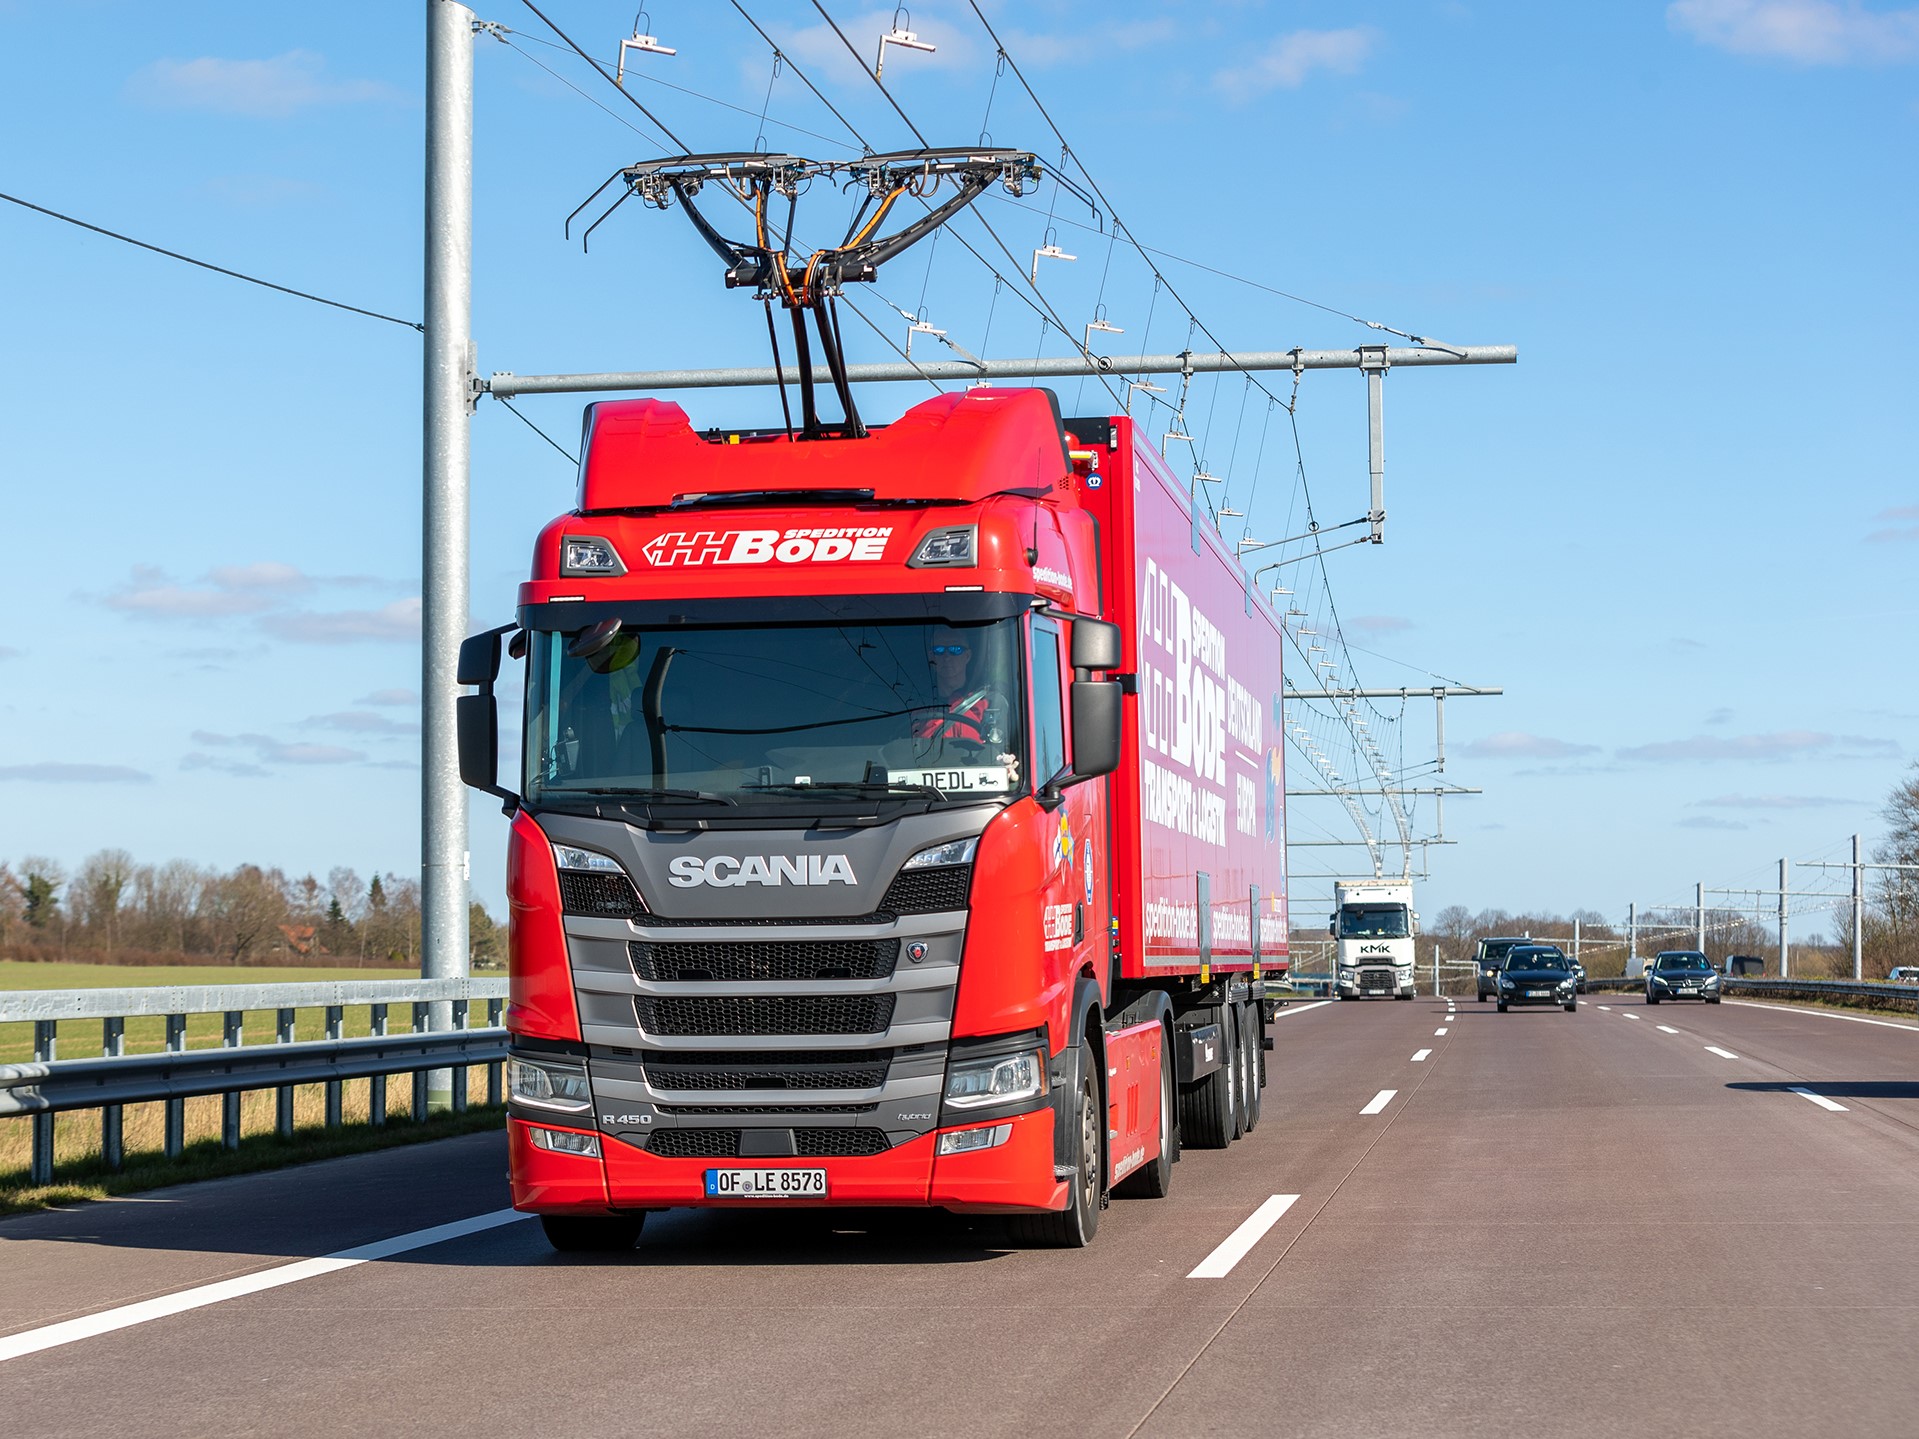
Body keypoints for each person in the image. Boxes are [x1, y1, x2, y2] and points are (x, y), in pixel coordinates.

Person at [915, 628, 1006, 747]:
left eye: (955, 650)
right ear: (931, 657)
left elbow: (1002, 748)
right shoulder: (915, 706)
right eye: (939, 650)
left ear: (967, 656)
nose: (947, 657)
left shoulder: (988, 703)